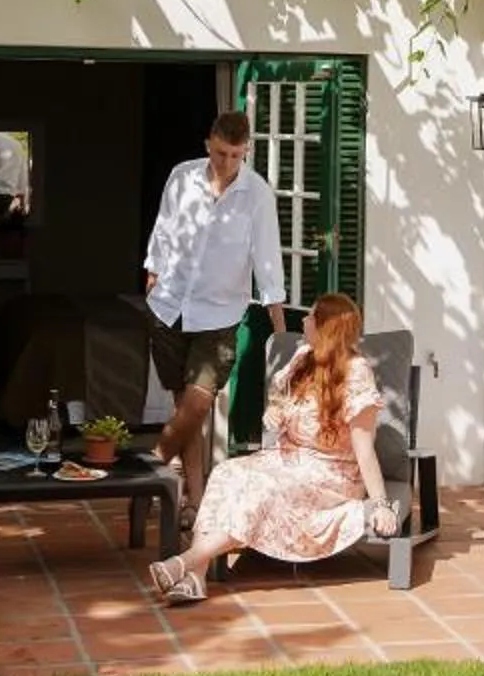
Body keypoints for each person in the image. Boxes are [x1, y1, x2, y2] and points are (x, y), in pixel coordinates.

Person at [149, 292, 396, 604]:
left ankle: (185, 561)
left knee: (259, 487)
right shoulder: (303, 359)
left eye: (311, 316)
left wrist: (382, 504)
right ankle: (196, 578)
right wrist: (277, 411)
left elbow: (364, 450)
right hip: (287, 459)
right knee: (227, 472)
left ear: (326, 328)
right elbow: (281, 401)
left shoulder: (356, 373)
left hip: (330, 476)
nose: (304, 320)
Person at [142, 109, 289, 511]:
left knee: (198, 404)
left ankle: (149, 474)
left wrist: (280, 332)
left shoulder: (256, 194)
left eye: (235, 156)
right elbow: (163, 229)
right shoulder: (181, 176)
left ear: (246, 151)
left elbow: (268, 261)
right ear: (209, 142)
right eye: (221, 153)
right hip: (170, 307)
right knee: (184, 410)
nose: (227, 163)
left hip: (219, 316)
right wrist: (152, 275)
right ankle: (195, 500)